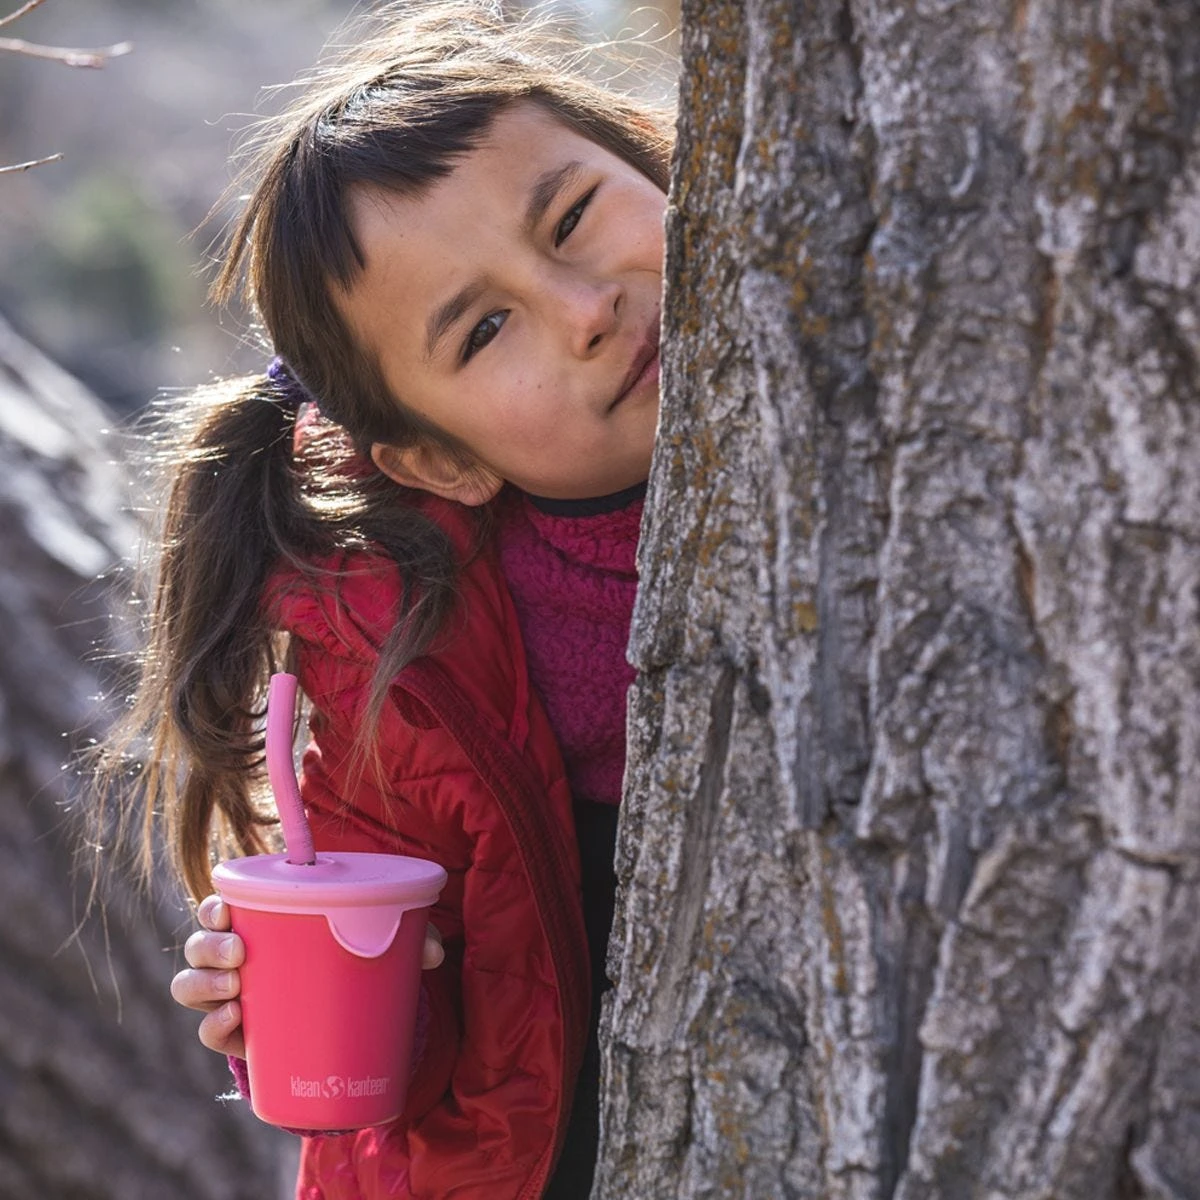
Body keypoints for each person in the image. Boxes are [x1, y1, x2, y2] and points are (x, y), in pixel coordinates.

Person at [101, 3, 673, 1196]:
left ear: (647, 149)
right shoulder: (404, 659)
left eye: (572, 216)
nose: (586, 310)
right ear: (435, 461)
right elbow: (410, 1066)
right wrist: (324, 996)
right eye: (486, 329)